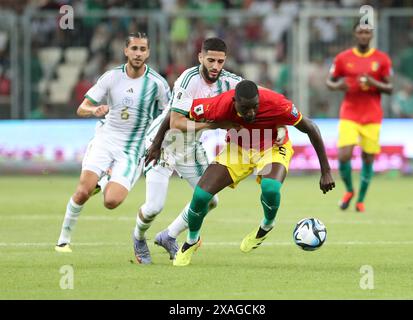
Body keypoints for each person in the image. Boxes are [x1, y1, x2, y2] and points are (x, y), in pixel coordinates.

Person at [169, 80, 335, 266]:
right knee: (200, 195)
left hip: (271, 147)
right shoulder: (218, 105)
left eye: (255, 107)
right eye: (245, 108)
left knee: (270, 188)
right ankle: (191, 242)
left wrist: (326, 171)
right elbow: (177, 114)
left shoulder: (277, 104)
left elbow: (311, 127)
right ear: (234, 101)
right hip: (238, 149)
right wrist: (158, 142)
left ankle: (266, 225)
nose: (251, 113)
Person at [131, 38, 245, 264]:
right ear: (200, 57)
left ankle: (169, 236)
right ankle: (138, 237)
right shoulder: (188, 79)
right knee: (154, 207)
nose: (215, 66)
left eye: (220, 61)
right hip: (163, 143)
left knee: (210, 200)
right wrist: (212, 125)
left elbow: (255, 93)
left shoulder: (230, 82)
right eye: (210, 60)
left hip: (191, 146)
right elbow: (175, 121)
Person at [55, 33, 171, 253]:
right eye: (134, 48)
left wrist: (159, 141)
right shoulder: (111, 77)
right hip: (106, 139)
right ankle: (63, 240)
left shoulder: (157, 84)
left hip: (133, 148)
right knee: (83, 191)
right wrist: (94, 110)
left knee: (111, 202)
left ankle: (106, 177)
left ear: (148, 53)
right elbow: (82, 107)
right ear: (125, 51)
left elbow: (169, 114)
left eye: (142, 49)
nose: (138, 53)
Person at [326, 22, 393, 213]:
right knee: (344, 155)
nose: (363, 35)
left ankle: (361, 200)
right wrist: (338, 86)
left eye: (367, 32)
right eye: (360, 32)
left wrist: (373, 82)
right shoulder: (343, 58)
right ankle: (349, 191)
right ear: (355, 34)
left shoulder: (382, 59)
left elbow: (390, 88)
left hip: (372, 115)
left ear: (371, 35)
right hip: (350, 113)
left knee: (368, 157)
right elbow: (329, 81)